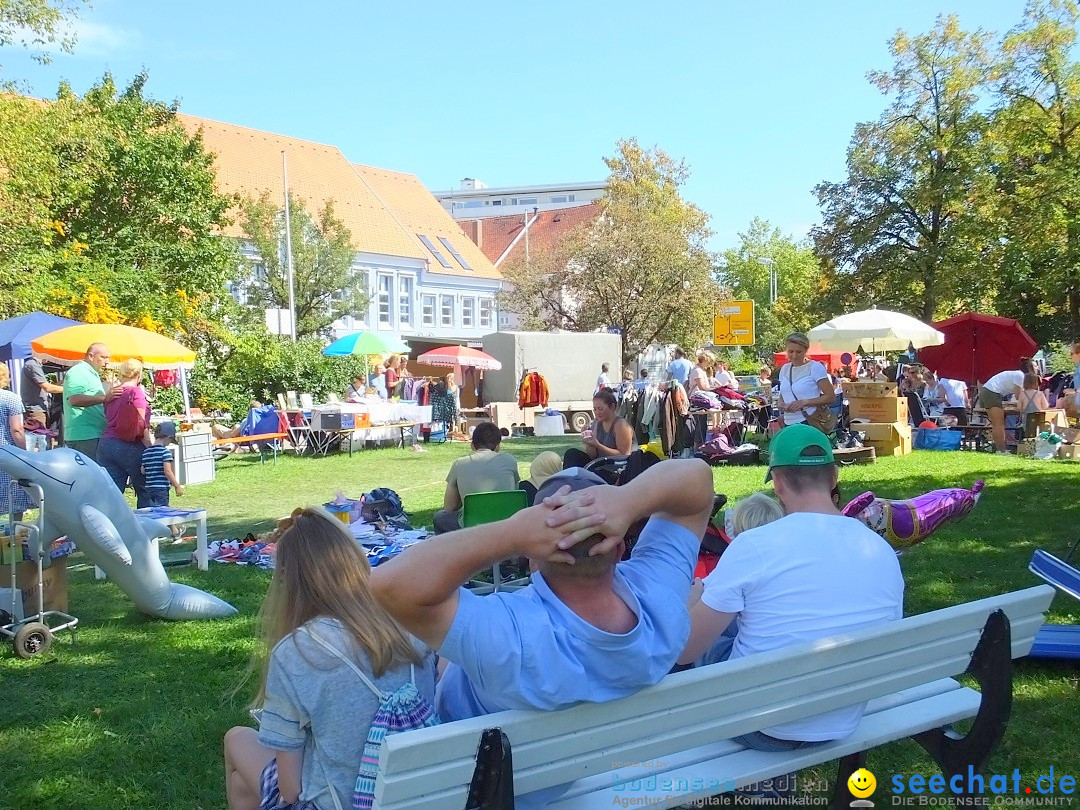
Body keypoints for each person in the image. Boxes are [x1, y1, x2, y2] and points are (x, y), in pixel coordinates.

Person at [370, 459, 713, 724]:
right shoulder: (660, 605)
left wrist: (511, 534)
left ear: (533, 558)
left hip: (489, 787)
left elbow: (388, 584)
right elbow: (698, 479)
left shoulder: (510, 637)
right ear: (620, 548)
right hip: (579, 774)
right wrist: (627, 499)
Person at [678, 425, 904, 751]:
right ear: (834, 476)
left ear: (779, 483)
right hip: (841, 715)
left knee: (698, 629)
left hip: (761, 724)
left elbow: (687, 651)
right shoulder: (879, 548)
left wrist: (688, 604)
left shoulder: (755, 545)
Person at [223, 506, 435, 810]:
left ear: (290, 581)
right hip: (416, 795)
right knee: (243, 784)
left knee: (236, 738)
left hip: (338, 804)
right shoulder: (409, 624)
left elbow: (291, 790)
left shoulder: (296, 651)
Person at [432, 422, 519, 533]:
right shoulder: (509, 460)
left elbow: (449, 507)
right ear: (498, 446)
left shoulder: (459, 464)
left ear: (472, 445)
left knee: (440, 517)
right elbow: (514, 492)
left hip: (472, 526)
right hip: (506, 524)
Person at [97, 359, 152, 499]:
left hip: (106, 443)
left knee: (110, 493)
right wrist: (151, 449)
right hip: (129, 444)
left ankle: (107, 520)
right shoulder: (136, 393)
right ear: (139, 374)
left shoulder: (112, 393)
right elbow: (140, 424)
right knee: (146, 489)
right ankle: (146, 520)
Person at [62, 342, 119, 459]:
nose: (107, 361)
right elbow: (74, 400)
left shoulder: (91, 373)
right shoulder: (78, 371)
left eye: (108, 358)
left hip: (92, 434)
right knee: (87, 475)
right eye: (103, 357)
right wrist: (105, 398)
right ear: (91, 356)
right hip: (84, 436)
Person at [562, 389, 635, 468]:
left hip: (617, 467)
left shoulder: (621, 425)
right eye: (595, 409)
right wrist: (589, 442)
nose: (597, 412)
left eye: (600, 409)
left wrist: (598, 445)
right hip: (600, 463)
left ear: (612, 407)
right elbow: (592, 456)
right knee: (571, 454)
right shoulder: (597, 422)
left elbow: (624, 456)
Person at [776, 332, 834, 430]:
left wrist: (805, 402)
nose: (794, 356)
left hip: (809, 421)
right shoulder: (785, 368)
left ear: (806, 350)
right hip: (788, 422)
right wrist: (780, 403)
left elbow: (831, 397)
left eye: (798, 352)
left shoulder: (815, 367)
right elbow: (784, 393)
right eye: (791, 351)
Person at [978, 360, 1035, 454]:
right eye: (1035, 366)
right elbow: (1018, 396)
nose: (1037, 368)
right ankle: (1001, 451)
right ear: (1029, 368)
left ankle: (999, 449)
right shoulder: (1020, 376)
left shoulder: (1017, 374)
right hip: (992, 393)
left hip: (988, 392)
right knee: (999, 425)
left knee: (997, 425)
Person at [0, 365, 33, 520]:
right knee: (14, 496)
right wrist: (24, 452)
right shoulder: (10, 398)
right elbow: (17, 430)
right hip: (7, 452)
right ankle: (15, 536)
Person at [140, 421, 185, 510]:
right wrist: (177, 486)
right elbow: (167, 471)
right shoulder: (165, 452)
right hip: (161, 488)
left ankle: (171, 525)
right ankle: (171, 524)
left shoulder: (146, 452)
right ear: (168, 438)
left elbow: (143, 471)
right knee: (163, 511)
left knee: (153, 511)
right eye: (170, 441)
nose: (169, 443)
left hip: (149, 488)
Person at [20, 356, 62, 428]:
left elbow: (46, 387)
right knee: (40, 437)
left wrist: (63, 381)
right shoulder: (33, 365)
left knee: (44, 436)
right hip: (36, 411)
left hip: (39, 409)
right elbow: (47, 388)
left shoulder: (34, 365)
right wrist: (69, 390)